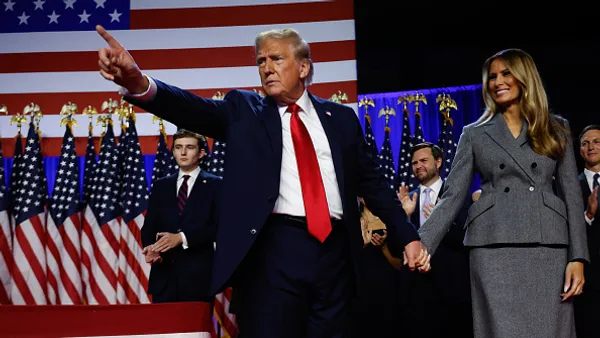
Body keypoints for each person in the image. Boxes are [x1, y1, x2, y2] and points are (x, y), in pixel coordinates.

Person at [95, 25, 430, 337]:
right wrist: (138, 82)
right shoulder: (245, 110)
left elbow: (373, 185)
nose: (266, 67)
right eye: (261, 61)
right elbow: (191, 109)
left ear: (303, 68)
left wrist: (409, 238)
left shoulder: (340, 118)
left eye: (276, 58)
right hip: (273, 253)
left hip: (337, 255)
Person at [417, 48, 588, 338]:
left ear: (524, 78)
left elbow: (572, 197)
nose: (497, 82)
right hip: (492, 247)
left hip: (547, 246)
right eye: (492, 76)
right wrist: (422, 244)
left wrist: (578, 258)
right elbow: (452, 196)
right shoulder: (474, 133)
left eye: (506, 73)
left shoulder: (556, 128)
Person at [395, 142, 473, 338]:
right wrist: (404, 217)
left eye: (423, 160)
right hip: (418, 288)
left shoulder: (458, 195)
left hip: (453, 285)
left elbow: (468, 237)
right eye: (414, 163)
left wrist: (443, 223)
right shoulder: (406, 200)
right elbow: (398, 247)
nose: (418, 166)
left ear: (438, 162)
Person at [141, 129, 221, 303]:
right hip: (164, 277)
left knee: (195, 330)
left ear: (201, 153)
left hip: (198, 280)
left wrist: (182, 238)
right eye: (178, 147)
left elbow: (220, 227)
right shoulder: (161, 185)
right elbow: (149, 226)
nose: (183, 152)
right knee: (163, 329)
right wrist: (151, 248)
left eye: (189, 147)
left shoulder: (217, 184)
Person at [574, 124, 600, 338]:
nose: (591, 146)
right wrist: (588, 216)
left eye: (597, 141)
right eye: (585, 143)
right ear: (580, 150)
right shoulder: (570, 186)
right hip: (589, 281)